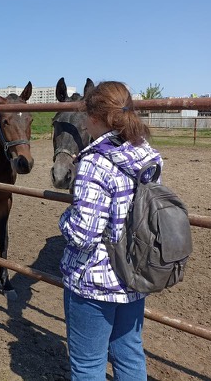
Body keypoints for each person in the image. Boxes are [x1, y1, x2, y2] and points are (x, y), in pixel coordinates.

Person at [59, 81, 162, 380]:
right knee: (129, 354)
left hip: (95, 282)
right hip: (134, 275)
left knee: (88, 365)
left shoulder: (94, 163)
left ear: (92, 118)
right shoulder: (146, 155)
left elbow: (83, 235)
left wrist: (65, 218)